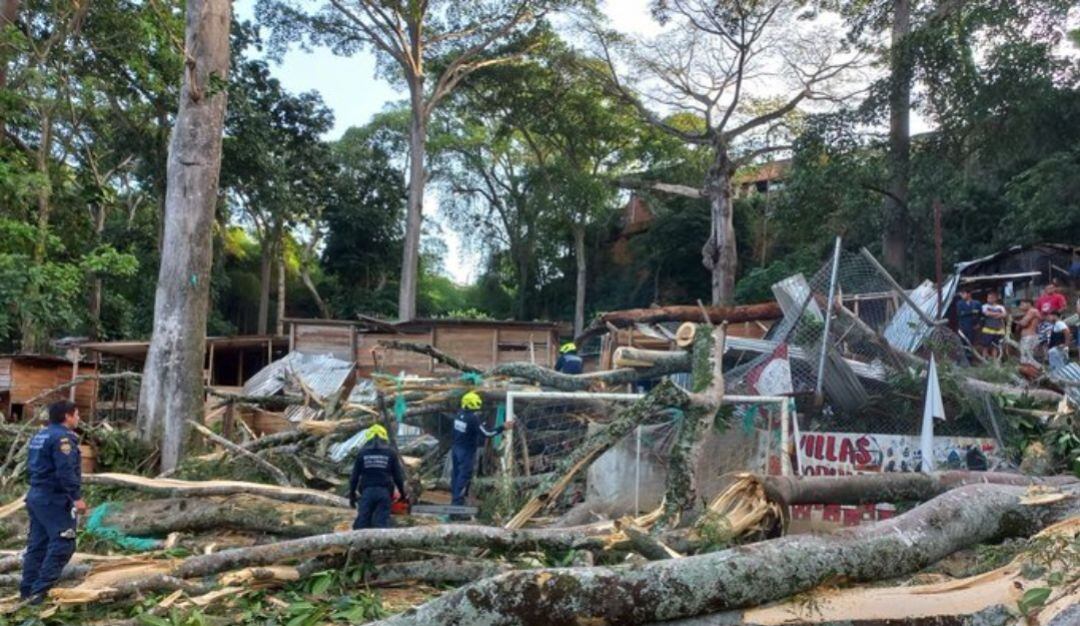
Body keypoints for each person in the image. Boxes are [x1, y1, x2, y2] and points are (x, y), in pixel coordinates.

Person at [21, 401, 85, 604]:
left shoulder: (40, 435)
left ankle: (27, 591)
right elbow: (65, 470)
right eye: (76, 414)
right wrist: (76, 497)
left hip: (37, 495)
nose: (78, 418)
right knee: (63, 543)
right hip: (54, 499)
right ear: (67, 416)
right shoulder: (62, 438)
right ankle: (40, 593)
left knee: (38, 545)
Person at [450, 391, 510, 507]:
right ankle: (458, 503)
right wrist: (502, 427)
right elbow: (487, 433)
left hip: (456, 448)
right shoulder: (472, 418)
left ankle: (454, 499)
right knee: (465, 475)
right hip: (466, 451)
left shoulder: (459, 414)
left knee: (456, 474)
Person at [347, 424, 407, 530]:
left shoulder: (362, 453)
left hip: (366, 493)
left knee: (361, 524)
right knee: (381, 525)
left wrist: (352, 496)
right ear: (384, 437)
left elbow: (354, 478)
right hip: (384, 493)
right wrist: (402, 494)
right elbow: (398, 477)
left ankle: (360, 545)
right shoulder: (390, 453)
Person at [980, 292, 1007, 360]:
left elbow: (1004, 315)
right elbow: (986, 313)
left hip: (998, 330)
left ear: (995, 299)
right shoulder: (984, 306)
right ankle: (984, 360)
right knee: (985, 346)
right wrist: (998, 314)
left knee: (995, 346)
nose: (989, 299)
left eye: (991, 298)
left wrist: (993, 314)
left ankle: (995, 360)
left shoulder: (1001, 307)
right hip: (987, 329)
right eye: (988, 298)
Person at [1017, 299, 1042, 367]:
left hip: (1029, 337)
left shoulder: (1032, 311)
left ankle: (1037, 372)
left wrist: (1018, 322)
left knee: (1027, 358)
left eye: (1022, 304)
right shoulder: (1029, 312)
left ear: (1028, 304)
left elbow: (1023, 323)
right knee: (1026, 358)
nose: (1020, 306)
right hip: (1028, 337)